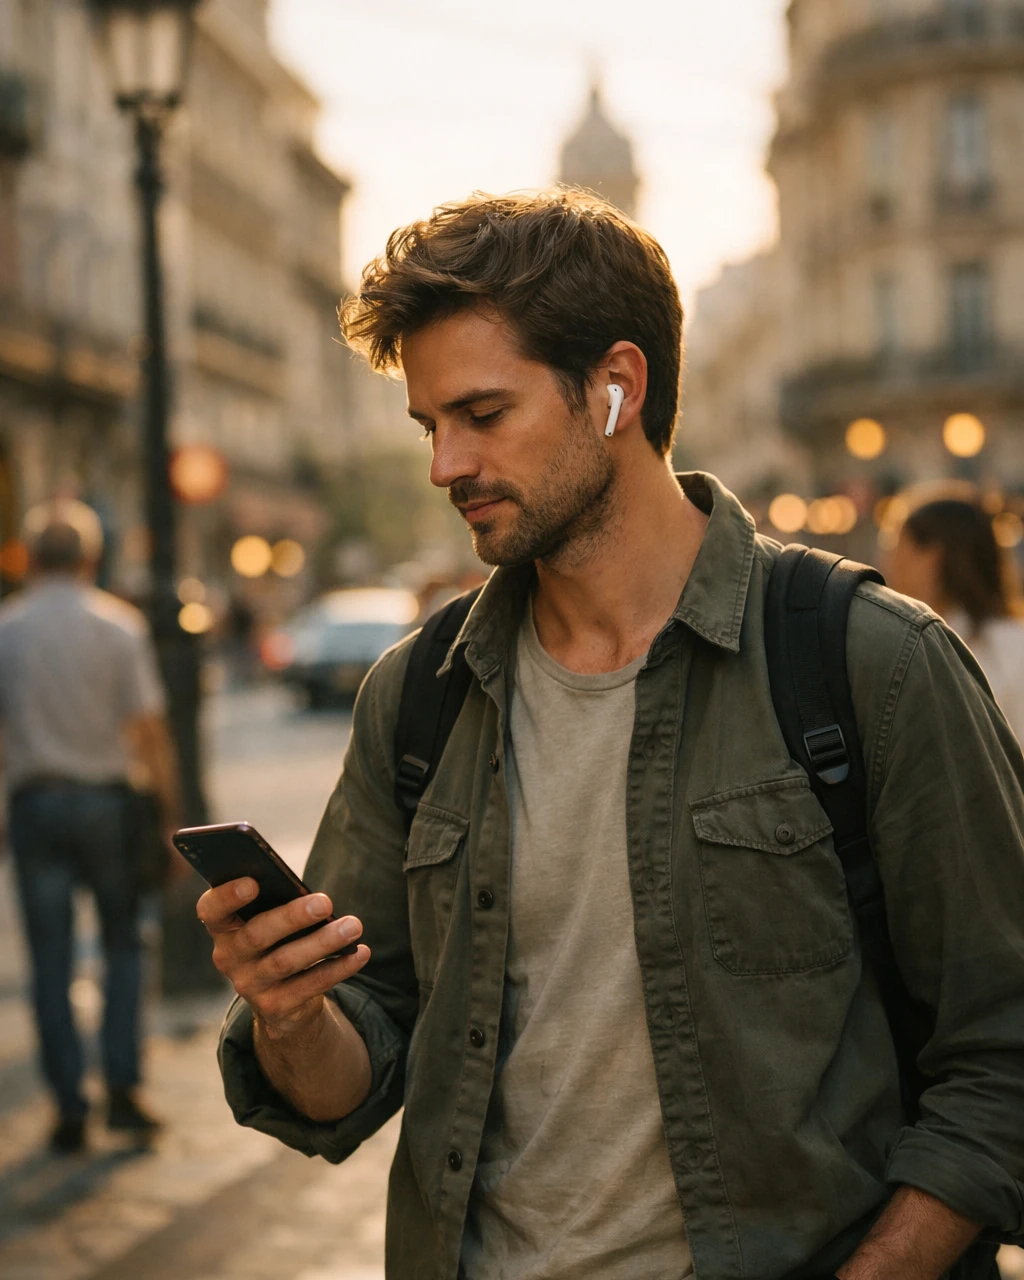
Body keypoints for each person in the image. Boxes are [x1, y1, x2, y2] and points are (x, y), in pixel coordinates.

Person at [204, 190, 1024, 1280]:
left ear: (615, 389)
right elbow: (350, 1074)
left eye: (482, 415)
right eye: (429, 426)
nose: (445, 464)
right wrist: (291, 1012)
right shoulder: (419, 694)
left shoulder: (868, 662)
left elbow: (1003, 1048)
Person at [0, 501, 180, 1153]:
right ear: (88, 557)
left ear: (28, 558)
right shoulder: (118, 626)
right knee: (124, 946)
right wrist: (168, 820)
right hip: (107, 803)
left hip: (35, 804)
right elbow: (150, 733)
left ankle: (68, 1103)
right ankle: (125, 1090)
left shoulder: (7, 630)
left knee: (48, 961)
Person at [885, 486, 1024, 741]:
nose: (890, 563)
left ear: (933, 557)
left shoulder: (1011, 647)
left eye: (899, 548)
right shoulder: (898, 641)